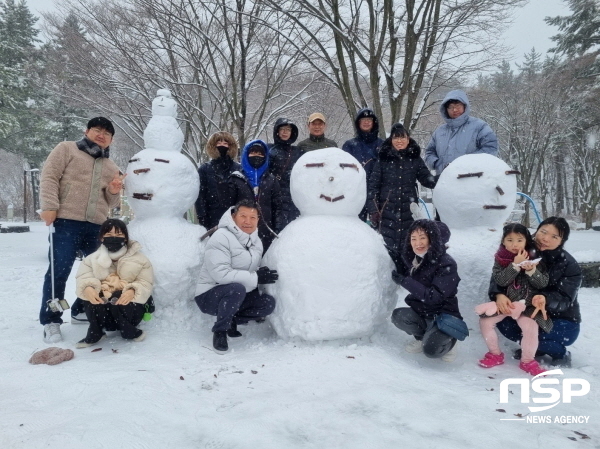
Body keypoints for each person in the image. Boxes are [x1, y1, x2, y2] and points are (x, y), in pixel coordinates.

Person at [38, 117, 124, 343]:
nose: (101, 135)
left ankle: (79, 309)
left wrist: (114, 190)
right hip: (66, 221)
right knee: (59, 271)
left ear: (111, 139)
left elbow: (112, 202)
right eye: (97, 129)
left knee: (99, 272)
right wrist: (49, 206)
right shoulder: (67, 149)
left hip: (96, 226)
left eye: (107, 133)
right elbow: (49, 177)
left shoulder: (111, 166)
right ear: (87, 131)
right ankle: (52, 320)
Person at [489, 217, 582, 368]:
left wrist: (545, 299)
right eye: (543, 232)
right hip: (527, 312)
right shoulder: (518, 248)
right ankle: (532, 348)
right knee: (504, 323)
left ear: (562, 241)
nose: (545, 238)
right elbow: (499, 278)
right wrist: (498, 294)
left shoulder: (569, 265)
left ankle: (558, 353)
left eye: (554, 236)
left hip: (560, 318)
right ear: (536, 231)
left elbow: (565, 298)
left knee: (538, 337)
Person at [194, 200, 278, 353]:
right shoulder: (221, 237)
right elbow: (221, 274)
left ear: (258, 220)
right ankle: (220, 331)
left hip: (234, 295)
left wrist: (261, 272)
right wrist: (256, 277)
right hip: (209, 296)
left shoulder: (256, 242)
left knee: (267, 304)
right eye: (243, 216)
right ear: (233, 217)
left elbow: (247, 267)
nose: (248, 221)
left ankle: (231, 318)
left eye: (253, 217)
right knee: (236, 288)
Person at [476, 224, 550, 376]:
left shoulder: (536, 259)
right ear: (503, 241)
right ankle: (495, 354)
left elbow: (542, 283)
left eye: (519, 240)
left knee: (530, 328)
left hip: (528, 305)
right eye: (509, 240)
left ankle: (527, 361)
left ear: (526, 241)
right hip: (507, 303)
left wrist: (531, 270)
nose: (514, 244)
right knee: (485, 322)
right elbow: (501, 281)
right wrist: (515, 265)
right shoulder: (500, 259)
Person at [390, 219, 463, 361]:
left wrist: (405, 281)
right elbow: (407, 268)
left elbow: (434, 297)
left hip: (443, 316)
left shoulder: (446, 263)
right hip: (422, 313)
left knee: (431, 350)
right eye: (413, 238)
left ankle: (451, 340)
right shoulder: (416, 260)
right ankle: (422, 337)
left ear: (432, 239)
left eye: (423, 238)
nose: (418, 243)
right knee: (399, 316)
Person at [367, 123, 436, 269]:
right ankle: (391, 279)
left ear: (408, 139)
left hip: (408, 211)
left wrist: (440, 179)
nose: (399, 141)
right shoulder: (383, 160)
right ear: (391, 140)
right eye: (396, 138)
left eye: (402, 137)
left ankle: (408, 279)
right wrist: (373, 209)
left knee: (408, 245)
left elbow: (426, 178)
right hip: (387, 212)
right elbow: (373, 187)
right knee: (388, 247)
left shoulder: (414, 159)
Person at [74, 219, 154, 348]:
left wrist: (132, 290)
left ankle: (129, 331)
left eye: (119, 235)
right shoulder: (91, 259)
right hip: (103, 315)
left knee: (118, 294)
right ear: (101, 237)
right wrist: (88, 288)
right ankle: (96, 332)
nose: (114, 238)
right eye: (109, 235)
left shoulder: (140, 260)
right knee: (95, 293)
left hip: (130, 312)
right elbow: (83, 277)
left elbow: (146, 282)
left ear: (126, 238)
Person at [424, 89, 498, 175]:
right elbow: (429, 152)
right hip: (444, 181)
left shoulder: (479, 126)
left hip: (472, 180)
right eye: (451, 107)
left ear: (465, 107)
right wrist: (437, 164)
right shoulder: (440, 131)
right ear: (445, 109)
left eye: (458, 106)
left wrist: (465, 164)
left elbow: (491, 148)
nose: (455, 110)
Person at [229, 140, 282, 251]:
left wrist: (277, 229)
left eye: (260, 153)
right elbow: (229, 208)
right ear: (246, 155)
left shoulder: (271, 180)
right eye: (253, 153)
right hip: (241, 232)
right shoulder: (236, 179)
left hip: (266, 232)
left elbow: (278, 208)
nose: (256, 156)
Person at [342, 108, 384, 221]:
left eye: (369, 119)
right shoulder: (349, 145)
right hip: (355, 192)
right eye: (363, 119)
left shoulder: (383, 145)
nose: (366, 122)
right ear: (358, 123)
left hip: (377, 194)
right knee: (355, 226)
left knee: (379, 229)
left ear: (374, 122)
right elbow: (343, 171)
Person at [195, 132, 240, 229]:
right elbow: (200, 195)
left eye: (225, 143)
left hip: (235, 217)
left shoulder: (239, 169)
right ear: (213, 146)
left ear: (230, 146)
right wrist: (202, 216)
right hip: (212, 217)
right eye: (219, 143)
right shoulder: (204, 169)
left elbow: (243, 194)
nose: (222, 146)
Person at [268, 118, 302, 229]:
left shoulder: (298, 151)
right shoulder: (270, 150)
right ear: (277, 131)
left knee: (291, 228)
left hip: (292, 196)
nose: (285, 132)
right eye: (282, 129)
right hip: (274, 195)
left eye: (288, 129)